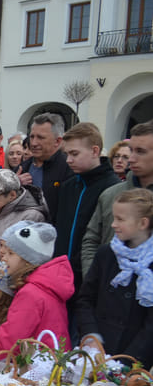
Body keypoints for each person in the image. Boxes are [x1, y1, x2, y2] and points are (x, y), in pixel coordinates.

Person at [76, 189, 153, 367]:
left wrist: (128, 362)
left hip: (134, 358)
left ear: (142, 223)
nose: (113, 224)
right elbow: (85, 299)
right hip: (98, 352)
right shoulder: (107, 254)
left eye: (120, 219)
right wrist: (91, 335)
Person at [0, 221, 74, 359]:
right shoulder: (46, 286)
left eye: (11, 254)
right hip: (53, 360)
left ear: (27, 260)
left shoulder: (30, 293)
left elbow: (11, 338)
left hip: (39, 364)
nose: (5, 258)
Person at [82, 121, 153, 278]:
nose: (132, 159)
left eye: (140, 151)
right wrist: (94, 278)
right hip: (109, 291)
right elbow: (91, 240)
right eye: (132, 151)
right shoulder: (110, 195)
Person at [54, 122, 119, 289]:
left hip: (89, 278)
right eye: (67, 154)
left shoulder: (112, 188)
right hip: (60, 275)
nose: (68, 160)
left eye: (74, 154)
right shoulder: (68, 186)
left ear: (95, 151)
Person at [18, 113, 74, 223]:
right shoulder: (22, 168)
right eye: (32, 136)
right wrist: (14, 184)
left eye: (40, 137)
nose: (33, 143)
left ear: (57, 141)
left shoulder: (68, 168)